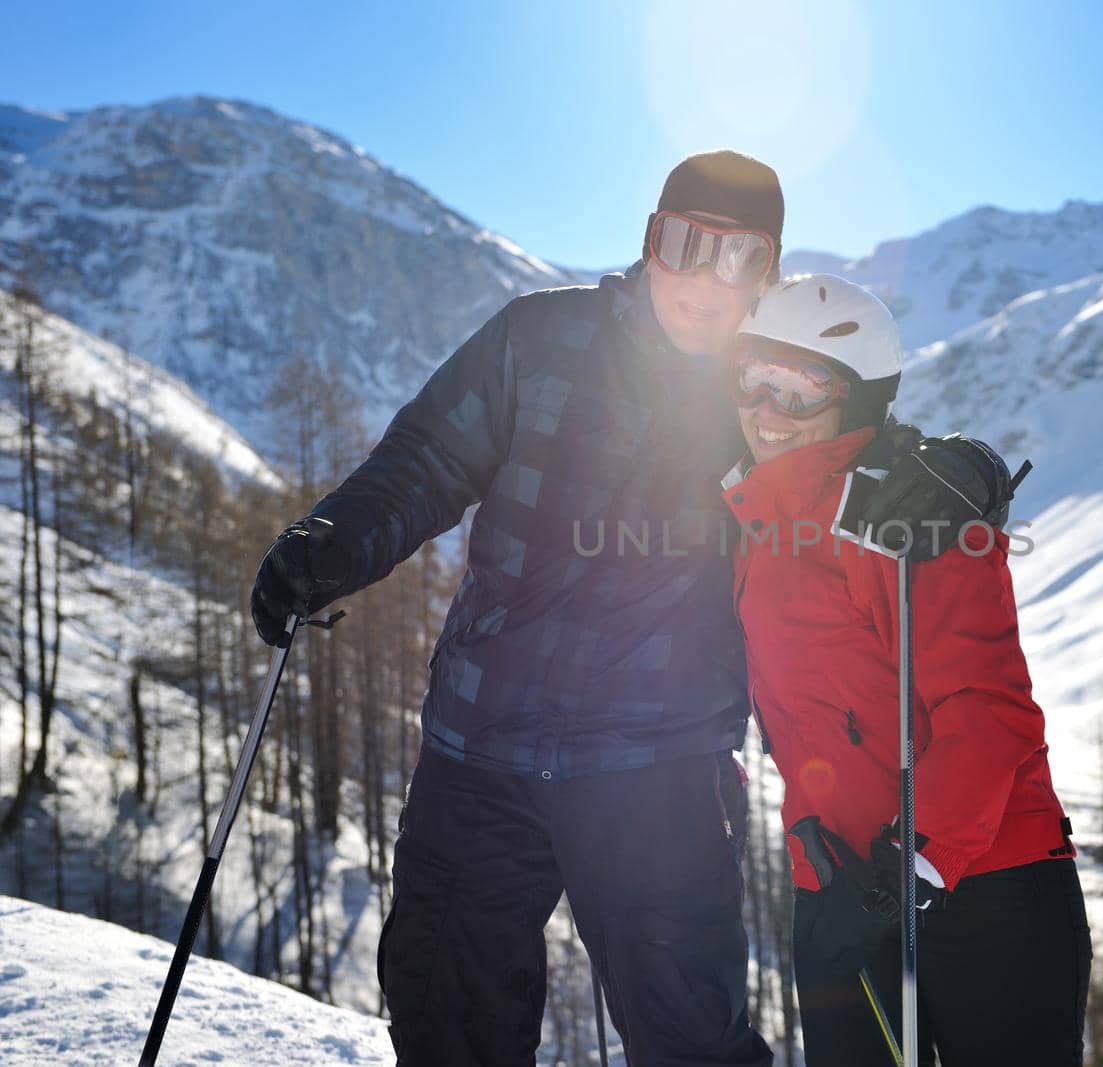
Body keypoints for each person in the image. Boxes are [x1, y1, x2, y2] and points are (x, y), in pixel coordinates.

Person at [248, 152, 1017, 1066]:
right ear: (650, 241)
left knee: (690, 1036)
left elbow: (880, 452)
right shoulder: (540, 338)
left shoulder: (762, 394)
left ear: (767, 274)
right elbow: (424, 460)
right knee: (444, 1017)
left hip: (659, 770)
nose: (704, 277)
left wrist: (969, 473)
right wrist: (334, 539)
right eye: (685, 243)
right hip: (479, 751)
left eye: (739, 258)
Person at [719, 274, 1093, 1066]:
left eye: (799, 387)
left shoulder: (911, 516)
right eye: (752, 377)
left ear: (856, 399)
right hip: (838, 884)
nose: (766, 409)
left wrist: (901, 877)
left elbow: (990, 718)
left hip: (985, 885)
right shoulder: (750, 513)